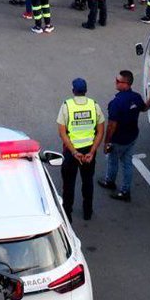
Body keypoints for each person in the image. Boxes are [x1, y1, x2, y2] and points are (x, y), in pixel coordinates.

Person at [100, 69, 150, 202]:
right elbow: (144, 108)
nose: (115, 82)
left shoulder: (116, 102)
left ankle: (110, 181)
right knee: (127, 163)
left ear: (125, 84)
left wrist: (106, 142)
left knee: (113, 160)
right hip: (131, 137)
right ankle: (125, 190)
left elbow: (112, 125)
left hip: (118, 139)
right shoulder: (136, 97)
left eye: (118, 81)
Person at [56, 78, 104, 221]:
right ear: (86, 91)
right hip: (89, 151)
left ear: (73, 91)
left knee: (69, 184)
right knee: (88, 181)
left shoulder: (67, 106)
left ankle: (67, 215)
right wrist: (92, 152)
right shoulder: (94, 105)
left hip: (72, 153)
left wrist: (74, 152)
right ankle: (87, 212)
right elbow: (100, 131)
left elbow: (62, 132)